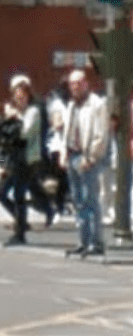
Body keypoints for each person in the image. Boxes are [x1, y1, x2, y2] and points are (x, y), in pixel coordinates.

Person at [0, 75, 50, 246]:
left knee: (19, 194)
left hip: (27, 159)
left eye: (22, 95)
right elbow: (4, 134)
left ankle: (20, 233)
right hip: (13, 157)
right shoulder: (14, 112)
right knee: (1, 193)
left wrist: (15, 118)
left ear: (28, 95)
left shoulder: (33, 111)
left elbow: (25, 133)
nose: (19, 98)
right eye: (16, 95)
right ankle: (22, 223)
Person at [63, 69, 109, 257]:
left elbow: (101, 134)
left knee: (90, 200)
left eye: (79, 83)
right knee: (78, 201)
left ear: (86, 84)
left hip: (87, 157)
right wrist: (63, 153)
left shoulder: (97, 105)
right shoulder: (71, 105)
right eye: (72, 84)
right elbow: (67, 131)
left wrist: (91, 158)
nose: (75, 87)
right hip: (72, 156)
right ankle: (83, 240)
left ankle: (96, 242)